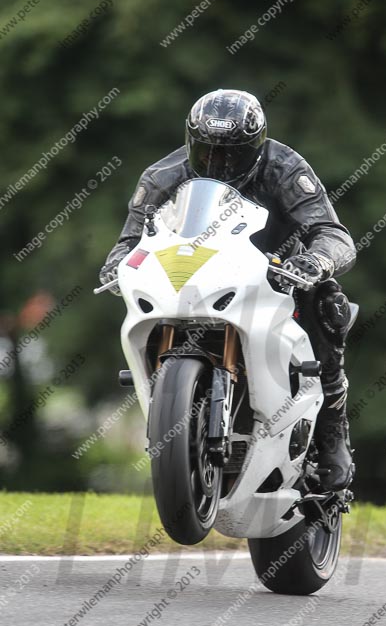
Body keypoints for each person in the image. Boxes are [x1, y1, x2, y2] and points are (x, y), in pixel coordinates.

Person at [100, 89, 356, 490]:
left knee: (328, 302)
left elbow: (333, 234)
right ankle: (171, 406)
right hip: (193, 279)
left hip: (274, 277)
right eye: (207, 152)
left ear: (256, 146)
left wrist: (314, 261)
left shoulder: (285, 168)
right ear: (191, 143)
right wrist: (116, 263)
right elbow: (129, 240)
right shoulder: (161, 176)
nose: (218, 163)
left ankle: (332, 432)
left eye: (232, 153)